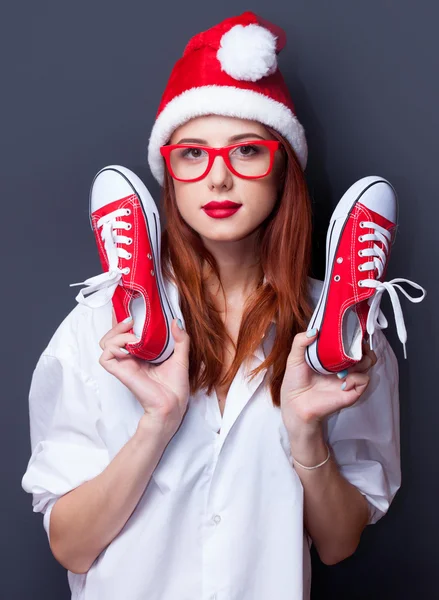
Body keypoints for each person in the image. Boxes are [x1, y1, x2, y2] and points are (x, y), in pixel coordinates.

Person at [21, 11, 400, 600]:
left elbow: (337, 543)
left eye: (246, 151)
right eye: (192, 154)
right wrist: (156, 423)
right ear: (169, 175)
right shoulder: (102, 326)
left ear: (283, 170)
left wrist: (306, 433)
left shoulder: (348, 343)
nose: (217, 179)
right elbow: (70, 546)